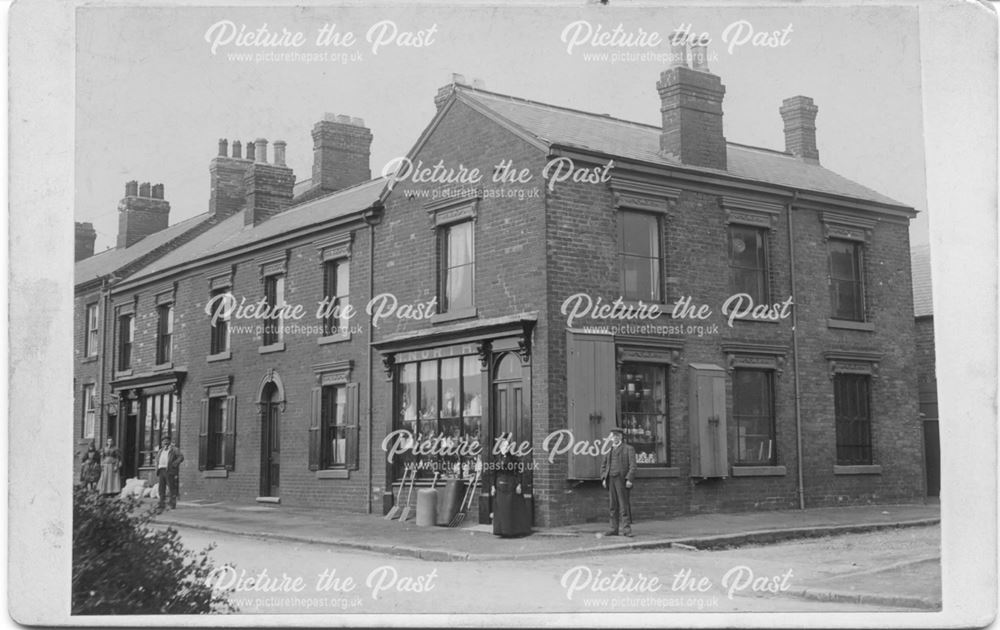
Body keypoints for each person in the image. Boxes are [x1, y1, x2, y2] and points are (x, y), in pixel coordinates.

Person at [490, 438, 532, 538]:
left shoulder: (514, 458)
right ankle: (502, 531)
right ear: (500, 447)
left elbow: (518, 472)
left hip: (511, 485)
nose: (506, 448)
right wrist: (492, 486)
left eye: (508, 446)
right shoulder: (495, 459)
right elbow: (492, 473)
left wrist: (519, 484)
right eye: (504, 446)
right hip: (500, 486)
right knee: (501, 509)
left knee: (512, 508)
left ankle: (514, 531)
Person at [600, 428, 636, 537]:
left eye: (617, 435)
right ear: (611, 438)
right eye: (613, 436)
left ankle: (626, 530)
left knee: (623, 505)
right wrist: (603, 478)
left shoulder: (628, 449)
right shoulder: (609, 450)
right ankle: (613, 529)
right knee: (612, 506)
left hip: (622, 480)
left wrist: (629, 479)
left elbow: (633, 466)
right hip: (611, 479)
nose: (615, 437)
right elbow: (603, 466)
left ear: (621, 437)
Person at [154, 436, 184, 509]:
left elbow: (181, 457)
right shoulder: (160, 450)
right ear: (161, 443)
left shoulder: (174, 449)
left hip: (169, 471)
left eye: (167, 441)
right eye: (164, 441)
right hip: (161, 470)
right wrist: (157, 468)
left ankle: (172, 504)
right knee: (161, 488)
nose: (165, 442)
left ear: (169, 442)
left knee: (171, 488)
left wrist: (174, 464)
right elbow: (157, 460)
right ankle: (161, 503)